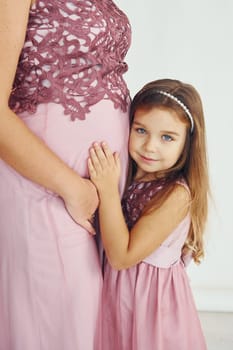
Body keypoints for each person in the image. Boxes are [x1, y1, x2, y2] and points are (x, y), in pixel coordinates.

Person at [0, 1, 131, 349]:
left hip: (99, 196)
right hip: (49, 189)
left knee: (85, 325)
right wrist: (72, 188)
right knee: (58, 329)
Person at [88, 78, 209, 350]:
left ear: (187, 143)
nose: (150, 146)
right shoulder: (128, 178)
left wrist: (107, 190)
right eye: (141, 130)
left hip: (152, 307)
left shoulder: (176, 195)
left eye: (167, 137)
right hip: (120, 297)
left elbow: (121, 257)